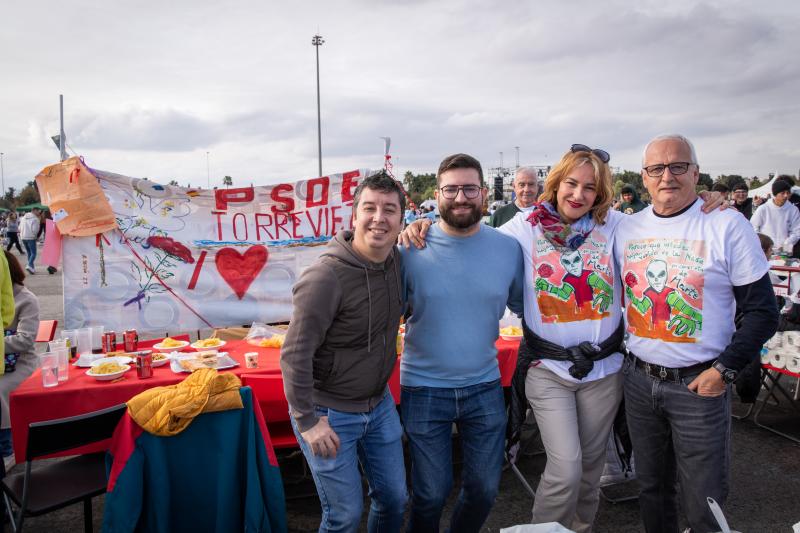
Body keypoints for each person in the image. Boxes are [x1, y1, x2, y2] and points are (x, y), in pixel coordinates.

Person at [618, 134, 778, 532]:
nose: (667, 176)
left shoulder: (726, 225)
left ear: (695, 172)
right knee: (652, 490)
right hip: (638, 379)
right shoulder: (626, 227)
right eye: (657, 168)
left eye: (678, 166)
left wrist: (724, 371)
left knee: (704, 502)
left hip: (697, 384)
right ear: (644, 177)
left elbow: (762, 312)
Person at [399, 153, 524, 532]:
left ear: (484, 193)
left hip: (484, 386)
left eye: (469, 188)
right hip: (423, 387)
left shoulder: (508, 249)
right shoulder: (409, 249)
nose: (460, 197)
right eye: (451, 189)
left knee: (485, 489)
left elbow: (528, 307)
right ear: (436, 194)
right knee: (430, 494)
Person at [280, 170, 408, 532]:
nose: (379, 218)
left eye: (389, 210)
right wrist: (307, 421)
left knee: (395, 499)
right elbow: (294, 354)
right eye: (369, 208)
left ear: (402, 219)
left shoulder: (397, 262)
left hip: (379, 405)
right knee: (344, 516)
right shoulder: (325, 277)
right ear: (354, 217)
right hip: (329, 413)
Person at [0, 250, 39, 469]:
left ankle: (7, 447)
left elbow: (25, 341)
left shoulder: (26, 299)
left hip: (21, 365)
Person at [750, 178, 800, 256]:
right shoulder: (763, 208)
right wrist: (764, 243)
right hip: (766, 249)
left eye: (787, 193)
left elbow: (797, 231)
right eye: (782, 193)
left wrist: (786, 244)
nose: (786, 195)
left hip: (785, 250)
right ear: (775, 194)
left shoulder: (793, 210)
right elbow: (753, 228)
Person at [19, 209, 41, 274]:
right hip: (31, 237)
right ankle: (29, 265)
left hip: (23, 237)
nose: (39, 212)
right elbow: (35, 230)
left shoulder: (23, 218)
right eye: (38, 211)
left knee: (29, 253)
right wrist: (35, 236)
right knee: (33, 253)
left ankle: (32, 268)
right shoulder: (35, 219)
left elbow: (19, 227)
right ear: (34, 211)